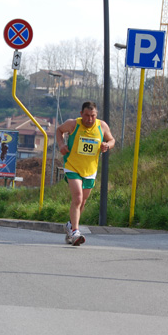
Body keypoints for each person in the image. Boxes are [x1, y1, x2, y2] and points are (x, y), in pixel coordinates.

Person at [56, 101, 115, 246]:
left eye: (93, 116)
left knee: (82, 202)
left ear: (96, 115)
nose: (90, 119)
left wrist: (107, 145)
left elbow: (112, 139)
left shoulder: (102, 126)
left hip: (90, 169)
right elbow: (59, 131)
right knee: (77, 197)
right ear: (81, 114)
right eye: (87, 116)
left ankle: (70, 226)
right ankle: (76, 231)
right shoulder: (73, 124)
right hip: (72, 166)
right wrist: (61, 145)